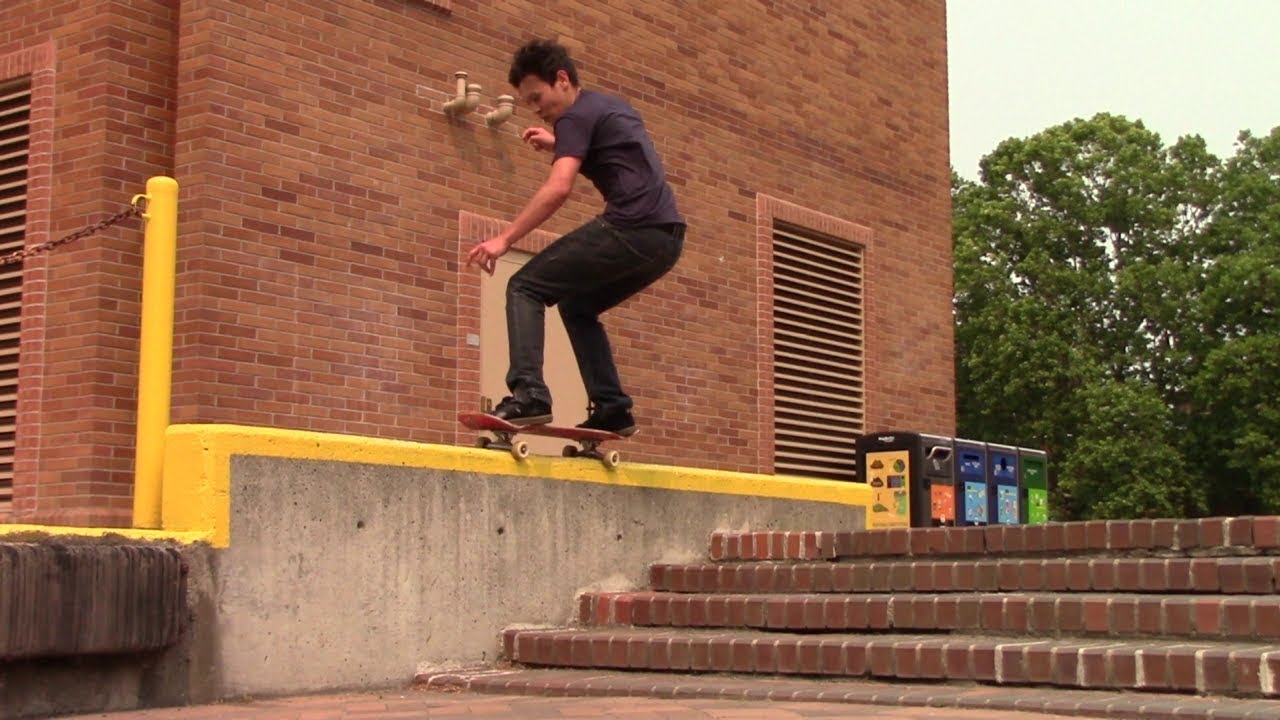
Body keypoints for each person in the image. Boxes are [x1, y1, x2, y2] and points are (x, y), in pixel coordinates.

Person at [466, 39, 685, 436]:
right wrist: (563, 143)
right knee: (577, 307)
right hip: (665, 241)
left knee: (524, 286)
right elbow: (620, 157)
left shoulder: (575, 118)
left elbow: (558, 188)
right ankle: (613, 408)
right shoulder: (609, 107)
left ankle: (529, 394)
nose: (537, 109)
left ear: (562, 80)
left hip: (632, 228)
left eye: (538, 97)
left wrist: (504, 238)